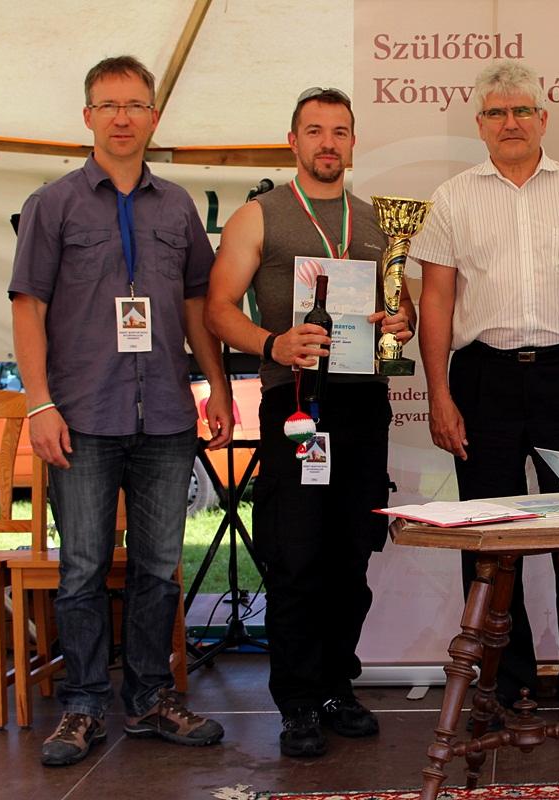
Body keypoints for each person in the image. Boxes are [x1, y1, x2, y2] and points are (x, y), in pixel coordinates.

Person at [10, 55, 231, 767]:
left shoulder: (178, 207)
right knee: (81, 567)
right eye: (108, 105)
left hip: (165, 412)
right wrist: (39, 403)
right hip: (80, 414)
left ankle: (150, 698)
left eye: (135, 104)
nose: (123, 117)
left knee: (158, 567)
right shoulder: (53, 204)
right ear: (88, 117)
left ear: (155, 116)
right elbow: (28, 307)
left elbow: (197, 305)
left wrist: (218, 387)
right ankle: (81, 707)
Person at [412, 60, 559, 726]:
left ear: (543, 117)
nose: (510, 122)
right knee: (489, 539)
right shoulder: (452, 198)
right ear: (480, 124)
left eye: (522, 110)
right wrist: (439, 393)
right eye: (497, 113)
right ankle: (504, 684)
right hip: (484, 382)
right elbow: (436, 301)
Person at [205, 87, 415, 758]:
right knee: (296, 558)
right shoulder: (259, 217)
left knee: (352, 556)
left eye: (340, 131)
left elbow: (400, 309)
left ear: (353, 142)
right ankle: (297, 701)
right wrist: (272, 343)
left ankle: (335, 687)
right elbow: (217, 308)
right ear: (293, 141)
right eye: (315, 130)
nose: (328, 142)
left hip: (363, 407)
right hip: (296, 404)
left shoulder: (378, 221)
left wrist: (400, 321)